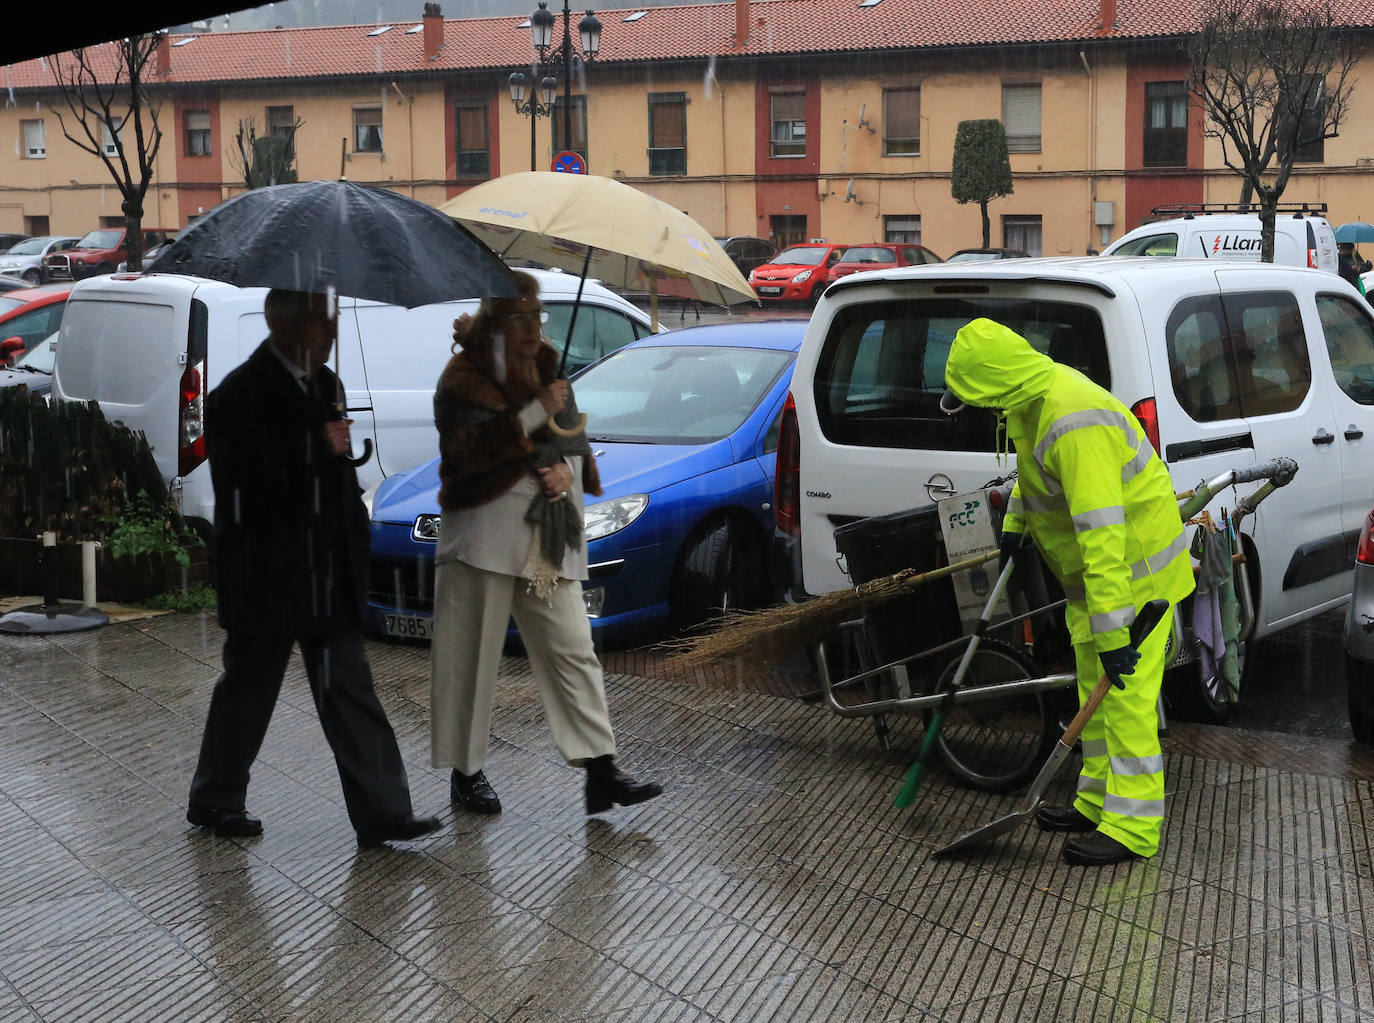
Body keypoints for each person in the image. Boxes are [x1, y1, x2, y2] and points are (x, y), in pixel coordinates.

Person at [187, 289, 442, 849]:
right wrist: (313, 446)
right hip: (266, 574)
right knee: (249, 690)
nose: (331, 333)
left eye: (332, 322)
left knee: (349, 689)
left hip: (326, 572)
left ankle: (384, 812)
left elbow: (333, 480)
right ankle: (215, 799)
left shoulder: (327, 385)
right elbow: (245, 490)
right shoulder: (237, 395)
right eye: (321, 322)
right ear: (284, 326)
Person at [944, 318, 1194, 866]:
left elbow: (1102, 533)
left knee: (1125, 700)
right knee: (1092, 692)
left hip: (1135, 577)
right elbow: (1036, 478)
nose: (983, 413)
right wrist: (1015, 525)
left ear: (995, 386)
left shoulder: (1073, 419)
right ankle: (1097, 801)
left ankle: (1131, 828)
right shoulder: (1029, 400)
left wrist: (1113, 633)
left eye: (977, 401)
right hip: (1093, 582)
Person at [429, 270, 662, 817]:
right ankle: (467, 774)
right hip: (483, 533)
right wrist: (537, 414)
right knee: (471, 655)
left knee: (573, 649)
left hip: (544, 534)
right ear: (496, 321)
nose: (533, 327)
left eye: (538, 316)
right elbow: (469, 452)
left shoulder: (551, 366)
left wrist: (564, 467)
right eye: (520, 317)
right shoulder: (463, 376)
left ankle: (600, 771)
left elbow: (572, 438)